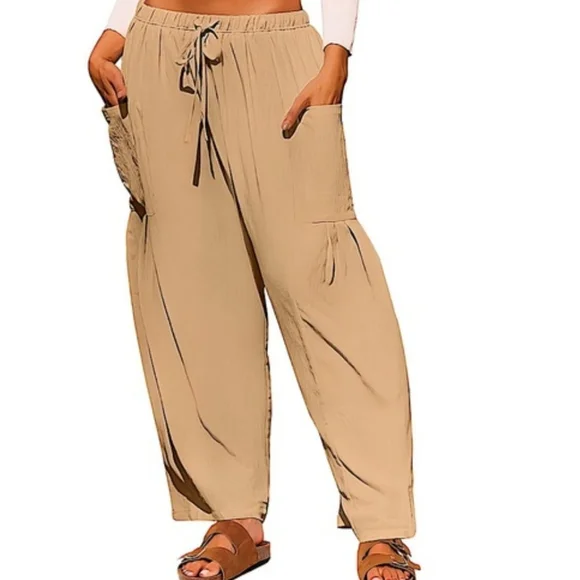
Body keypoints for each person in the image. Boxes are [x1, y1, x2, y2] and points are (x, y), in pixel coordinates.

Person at [88, 1, 420, 578]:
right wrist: (117, 30)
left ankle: (381, 522)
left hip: (276, 50)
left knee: (327, 284)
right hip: (158, 50)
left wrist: (337, 53)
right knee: (197, 297)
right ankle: (235, 519)